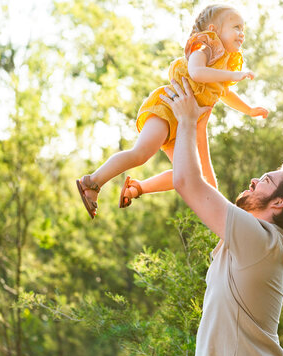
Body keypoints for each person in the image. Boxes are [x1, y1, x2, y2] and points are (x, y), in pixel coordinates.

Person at [162, 77, 283, 356]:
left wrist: (187, 120)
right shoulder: (261, 242)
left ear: (278, 202)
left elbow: (188, 182)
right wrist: (199, 128)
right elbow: (207, 188)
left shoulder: (262, 242)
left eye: (264, 180)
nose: (253, 180)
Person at [76, 4, 268, 218]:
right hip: (167, 108)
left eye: (243, 29)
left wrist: (249, 110)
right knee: (141, 154)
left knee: (185, 174)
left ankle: (137, 187)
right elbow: (196, 73)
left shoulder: (224, 65)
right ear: (214, 29)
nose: (241, 34)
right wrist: (234, 76)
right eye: (236, 27)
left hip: (181, 123)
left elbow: (223, 92)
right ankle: (92, 182)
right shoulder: (205, 47)